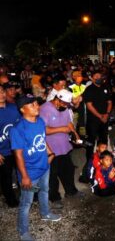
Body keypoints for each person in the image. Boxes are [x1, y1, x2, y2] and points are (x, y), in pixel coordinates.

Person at [10, 95, 61, 241]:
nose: (36, 106)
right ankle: (23, 231)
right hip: (30, 173)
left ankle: (45, 213)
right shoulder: (17, 129)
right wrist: (25, 176)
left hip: (44, 166)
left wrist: (50, 153)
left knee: (45, 190)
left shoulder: (39, 121)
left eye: (36, 104)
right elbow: (18, 155)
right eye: (32, 105)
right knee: (26, 203)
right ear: (22, 109)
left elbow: (42, 140)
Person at [40, 89, 83, 209]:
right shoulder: (45, 109)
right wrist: (61, 129)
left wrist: (75, 134)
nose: (66, 106)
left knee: (68, 170)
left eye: (67, 104)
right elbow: (42, 130)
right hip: (51, 149)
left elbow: (69, 123)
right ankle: (54, 197)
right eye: (64, 103)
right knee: (52, 175)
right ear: (57, 99)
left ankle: (71, 191)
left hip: (64, 146)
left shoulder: (64, 108)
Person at [80, 72, 112, 183]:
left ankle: (105, 163)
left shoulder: (105, 87)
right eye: (96, 76)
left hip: (104, 119)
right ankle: (90, 165)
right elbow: (89, 106)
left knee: (103, 141)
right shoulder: (89, 90)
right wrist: (100, 116)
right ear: (92, 78)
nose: (99, 78)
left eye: (100, 76)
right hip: (93, 120)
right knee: (91, 143)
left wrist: (107, 114)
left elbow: (109, 102)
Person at [0, 84, 21, 207]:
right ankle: (11, 200)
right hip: (3, 152)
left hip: (17, 148)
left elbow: (21, 126)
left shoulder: (14, 108)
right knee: (6, 177)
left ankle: (28, 195)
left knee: (21, 172)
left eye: (2, 91)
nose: (2, 94)